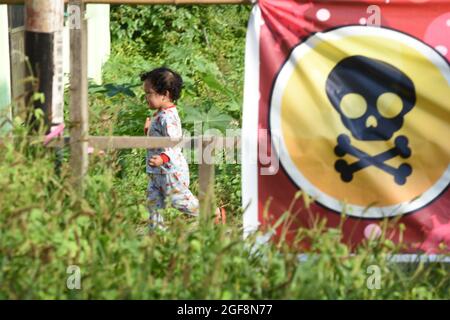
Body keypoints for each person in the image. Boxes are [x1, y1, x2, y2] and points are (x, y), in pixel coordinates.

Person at [141, 67, 199, 229]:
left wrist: (163, 158)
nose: (146, 97)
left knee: (178, 201)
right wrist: (148, 130)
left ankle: (211, 213)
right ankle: (157, 235)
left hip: (170, 170)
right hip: (157, 172)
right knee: (153, 204)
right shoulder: (160, 114)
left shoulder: (168, 116)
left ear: (165, 94)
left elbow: (174, 142)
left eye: (149, 93)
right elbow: (160, 138)